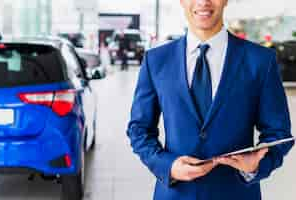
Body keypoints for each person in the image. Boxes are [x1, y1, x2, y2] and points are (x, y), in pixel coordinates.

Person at [126, 0, 294, 200]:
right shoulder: (156, 60)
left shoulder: (260, 60)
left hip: (236, 194)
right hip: (175, 194)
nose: (203, 2)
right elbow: (139, 129)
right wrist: (168, 166)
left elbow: (279, 133)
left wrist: (256, 165)